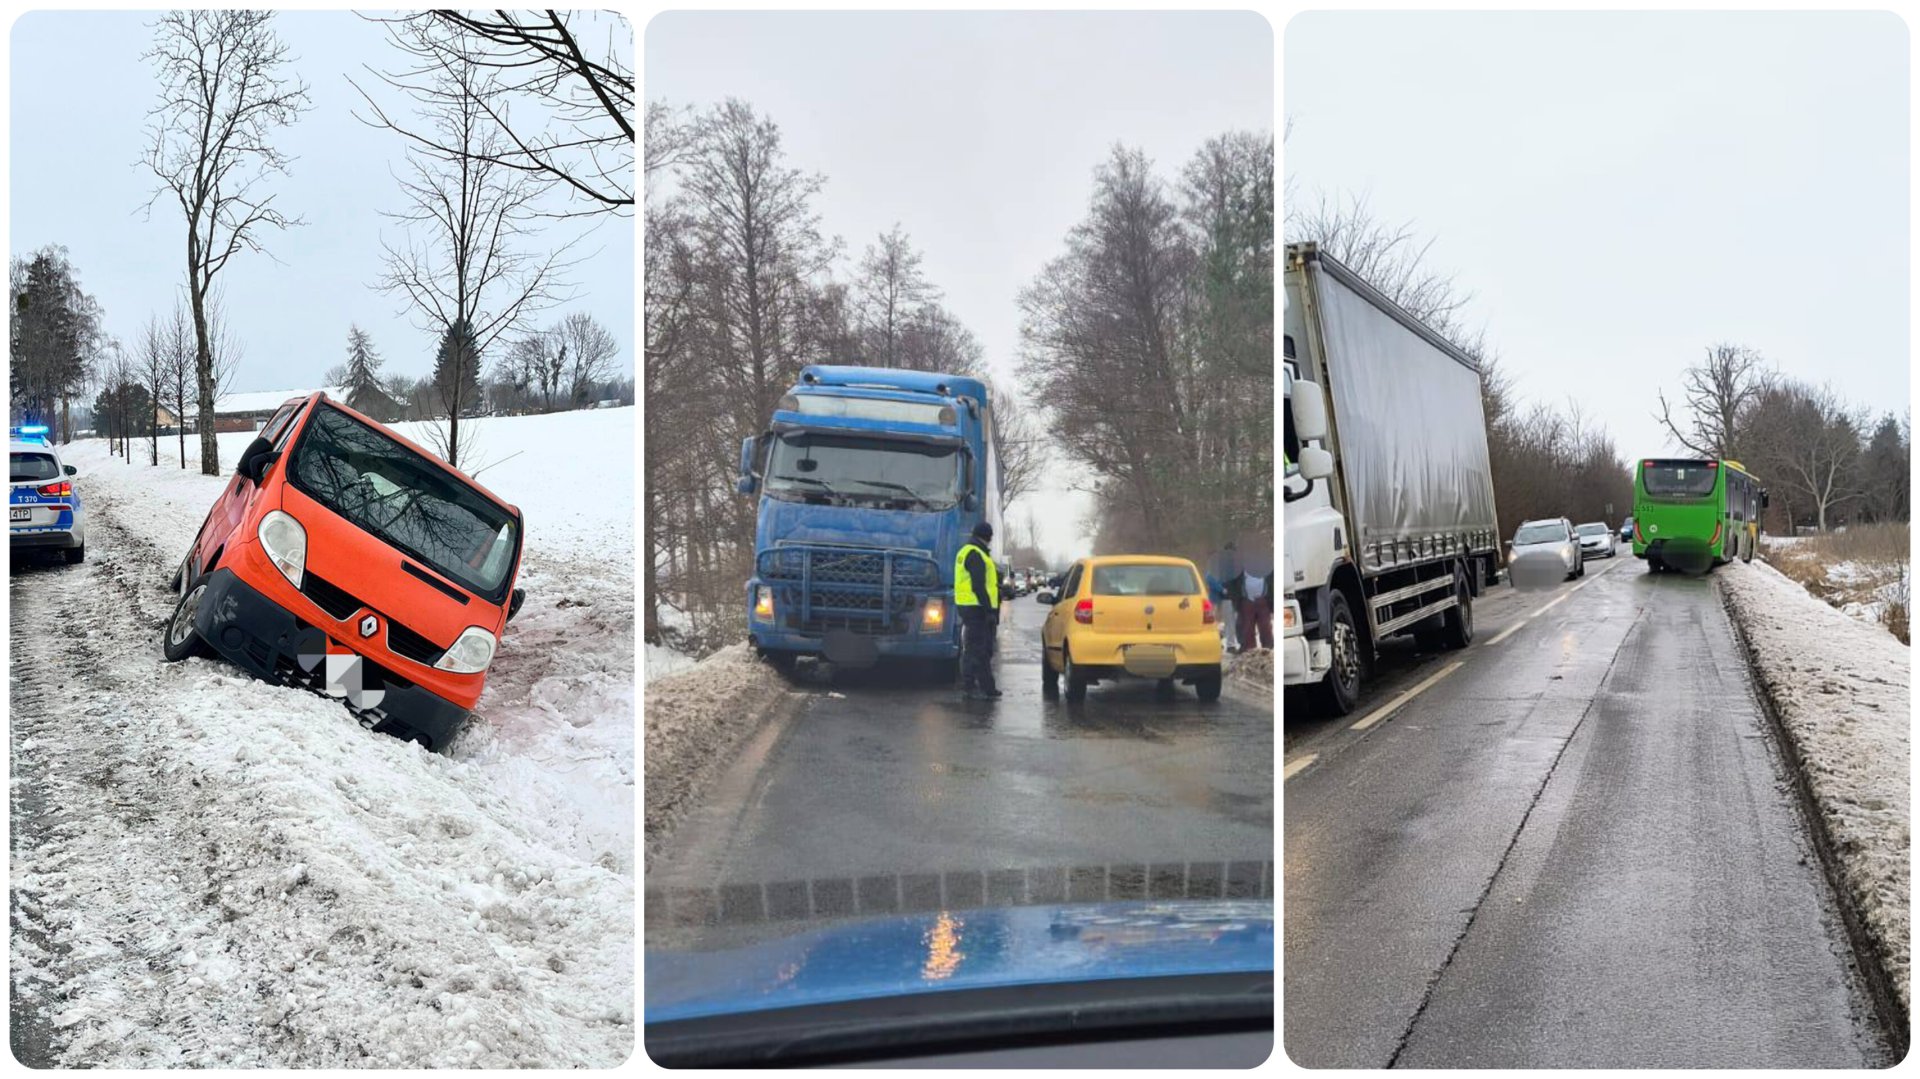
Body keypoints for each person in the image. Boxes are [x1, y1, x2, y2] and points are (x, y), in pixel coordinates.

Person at [953, 520, 1002, 699]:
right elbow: (979, 586)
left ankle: (974, 685)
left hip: (968, 606)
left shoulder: (967, 551)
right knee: (978, 649)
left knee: (973, 647)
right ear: (987, 536)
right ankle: (979, 687)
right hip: (977, 608)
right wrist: (989, 610)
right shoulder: (976, 554)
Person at [1238, 542, 1275, 651]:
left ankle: (1268, 648)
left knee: (1265, 626)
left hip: (1262, 600)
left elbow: (1271, 582)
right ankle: (1250, 650)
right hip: (1247, 601)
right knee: (1248, 628)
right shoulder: (1241, 567)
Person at [1208, 541, 1241, 653]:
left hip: (1235, 597)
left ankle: (1222, 635)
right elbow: (1210, 577)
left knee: (1235, 621)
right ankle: (1230, 645)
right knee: (1230, 621)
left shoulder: (1237, 564)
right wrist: (1222, 589)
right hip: (1227, 596)